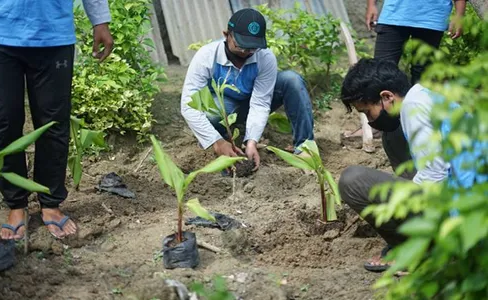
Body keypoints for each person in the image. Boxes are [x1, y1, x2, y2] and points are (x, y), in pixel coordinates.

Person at [337, 58, 486, 272]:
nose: (370, 121)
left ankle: (415, 249)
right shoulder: (426, 95)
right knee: (395, 151)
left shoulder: (414, 109)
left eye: (368, 112)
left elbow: (435, 175)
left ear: (386, 97)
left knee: (353, 181)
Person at [0, 1, 114, 240]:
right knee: (3, 123)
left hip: (53, 34)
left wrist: (100, 20)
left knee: (53, 124)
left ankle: (50, 202)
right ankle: (16, 204)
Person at [346, 0, 467, 180]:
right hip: (396, 11)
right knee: (379, 78)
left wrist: (459, 14)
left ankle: (426, 161)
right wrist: (372, 4)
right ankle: (408, 168)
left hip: (432, 12)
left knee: (421, 84)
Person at [181, 8, 314, 170]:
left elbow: (260, 103)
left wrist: (251, 141)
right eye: (240, 46)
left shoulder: (265, 57)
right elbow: (188, 104)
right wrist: (217, 141)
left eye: (252, 48)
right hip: (224, 108)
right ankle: (222, 139)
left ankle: (305, 148)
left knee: (292, 80)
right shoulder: (207, 56)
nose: (246, 52)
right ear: (226, 35)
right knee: (209, 115)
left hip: (252, 102)